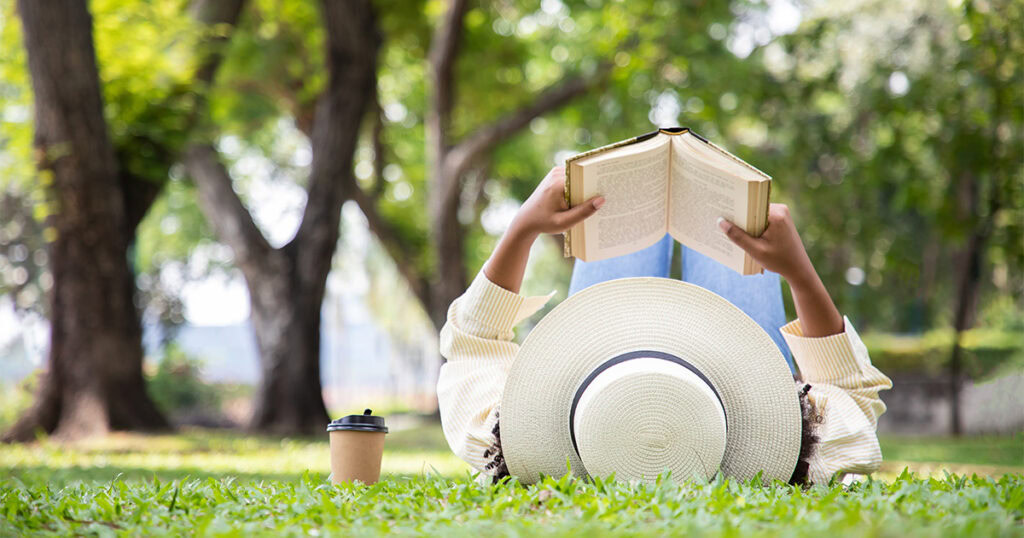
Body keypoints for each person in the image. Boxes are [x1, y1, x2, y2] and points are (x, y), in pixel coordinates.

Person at [437, 166, 892, 486]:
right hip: (723, 379)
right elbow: (854, 395)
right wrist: (798, 270)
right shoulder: (803, 457)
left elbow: (473, 343)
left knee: (617, 202)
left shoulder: (505, 451)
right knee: (728, 220)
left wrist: (522, 227)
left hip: (613, 366)